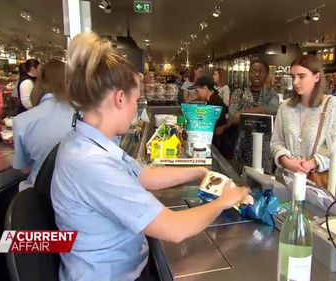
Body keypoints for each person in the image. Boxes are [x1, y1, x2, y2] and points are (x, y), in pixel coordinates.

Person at [51, 32, 249, 281]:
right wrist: (224, 200)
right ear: (120, 98)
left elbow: (144, 175)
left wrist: (199, 171)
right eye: (136, 100)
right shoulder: (92, 163)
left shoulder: (87, 142)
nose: (137, 107)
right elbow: (175, 228)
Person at [270, 55, 336, 177]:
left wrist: (312, 163)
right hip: (286, 179)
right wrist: (286, 161)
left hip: (316, 183)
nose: (295, 82)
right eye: (293, 77)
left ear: (316, 77)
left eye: (301, 76)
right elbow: (277, 141)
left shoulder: (333, 106)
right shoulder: (285, 107)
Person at [12, 59, 74, 191]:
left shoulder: (21, 121)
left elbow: (24, 168)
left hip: (39, 196)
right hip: (78, 196)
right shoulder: (85, 116)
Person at [228, 60, 279, 173]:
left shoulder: (272, 95)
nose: (256, 74)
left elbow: (273, 110)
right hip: (241, 148)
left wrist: (244, 113)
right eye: (253, 71)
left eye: (261, 72)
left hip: (265, 150)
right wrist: (262, 110)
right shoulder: (239, 93)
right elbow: (233, 117)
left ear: (266, 74)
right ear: (249, 73)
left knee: (264, 183)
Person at [192, 76, 228, 146]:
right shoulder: (213, 98)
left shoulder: (214, 102)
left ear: (205, 88)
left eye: (198, 91)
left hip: (217, 142)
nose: (197, 94)